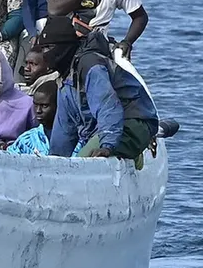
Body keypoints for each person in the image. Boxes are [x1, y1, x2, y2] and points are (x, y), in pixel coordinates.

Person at [36, 17, 158, 162]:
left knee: (84, 161)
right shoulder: (65, 77)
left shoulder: (91, 66)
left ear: (65, 46)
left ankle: (133, 152)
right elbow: (64, 129)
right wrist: (54, 162)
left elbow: (108, 106)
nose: (45, 54)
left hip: (132, 123)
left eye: (49, 48)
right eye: (43, 49)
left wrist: (108, 146)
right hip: (102, 131)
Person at [7, 79, 58, 156]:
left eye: (44, 106)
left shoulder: (74, 139)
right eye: (35, 105)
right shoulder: (27, 140)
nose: (38, 110)